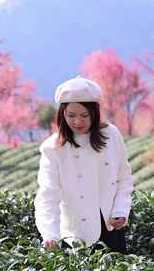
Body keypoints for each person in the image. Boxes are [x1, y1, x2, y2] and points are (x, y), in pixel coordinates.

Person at [34, 76, 134, 253]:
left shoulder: (111, 135)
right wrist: (50, 234)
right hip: (75, 237)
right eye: (71, 115)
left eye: (84, 115)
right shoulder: (52, 148)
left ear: (94, 113)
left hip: (110, 229)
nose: (77, 122)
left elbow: (124, 178)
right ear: (62, 114)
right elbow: (48, 195)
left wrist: (120, 211)